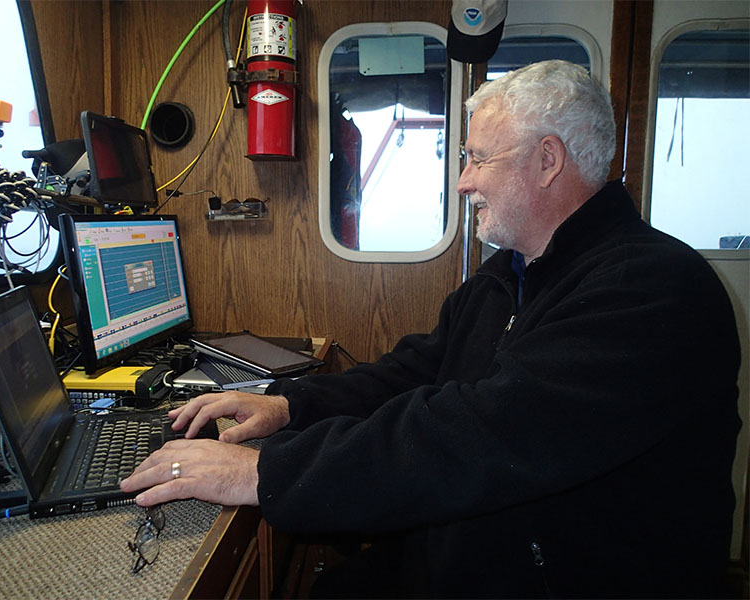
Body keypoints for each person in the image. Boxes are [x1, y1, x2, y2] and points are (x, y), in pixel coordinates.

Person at [121, 60, 741, 598]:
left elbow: (481, 431)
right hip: (468, 553)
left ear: (547, 160)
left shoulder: (654, 291)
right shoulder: (510, 276)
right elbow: (414, 371)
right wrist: (288, 405)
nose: (465, 180)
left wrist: (264, 473)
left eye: (476, 159)